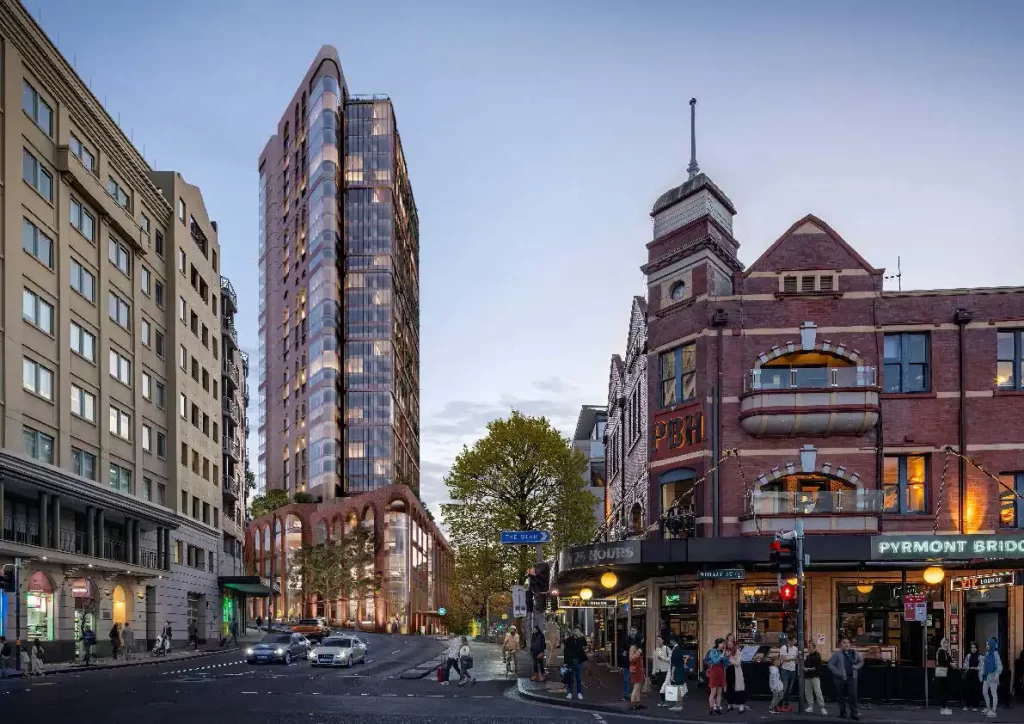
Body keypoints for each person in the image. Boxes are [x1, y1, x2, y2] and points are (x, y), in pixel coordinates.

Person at [828, 636, 863, 720]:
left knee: (853, 696)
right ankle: (842, 713)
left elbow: (861, 661)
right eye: (844, 643)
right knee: (841, 696)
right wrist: (838, 672)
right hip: (840, 679)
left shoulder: (854, 653)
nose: (846, 644)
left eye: (847, 643)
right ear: (841, 645)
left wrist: (856, 667)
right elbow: (830, 664)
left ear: (850, 644)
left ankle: (854, 713)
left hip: (852, 678)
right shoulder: (837, 654)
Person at [563, 627, 588, 701]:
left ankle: (579, 693)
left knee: (578, 678)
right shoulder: (569, 640)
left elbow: (585, 644)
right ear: (573, 632)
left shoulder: (580, 640)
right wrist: (565, 662)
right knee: (570, 677)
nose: (576, 632)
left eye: (578, 631)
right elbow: (566, 651)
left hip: (578, 661)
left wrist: (581, 636)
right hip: (570, 661)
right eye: (575, 631)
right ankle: (570, 692)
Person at [724, 632, 746, 713]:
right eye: (729, 639)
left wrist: (730, 659)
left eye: (732, 639)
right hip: (728, 671)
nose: (730, 641)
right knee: (729, 688)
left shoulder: (737, 650)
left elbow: (738, 663)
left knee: (739, 688)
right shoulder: (725, 650)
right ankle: (730, 704)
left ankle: (741, 706)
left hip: (736, 671)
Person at [804, 641, 827, 715]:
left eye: (810, 647)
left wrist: (808, 669)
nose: (808, 648)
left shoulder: (817, 655)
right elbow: (805, 666)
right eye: (808, 647)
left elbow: (817, 667)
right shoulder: (807, 657)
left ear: (814, 647)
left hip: (815, 676)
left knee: (818, 692)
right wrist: (805, 668)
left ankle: (822, 707)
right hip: (807, 677)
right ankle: (810, 706)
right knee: (808, 692)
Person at [667, 636, 689, 713]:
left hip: (677, 670)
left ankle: (679, 705)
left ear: (673, 641)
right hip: (680, 669)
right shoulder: (678, 649)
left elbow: (674, 663)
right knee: (679, 688)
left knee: (678, 688)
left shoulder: (676, 650)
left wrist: (672, 673)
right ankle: (678, 705)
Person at [705, 637, 726, 715]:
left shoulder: (722, 652)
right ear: (718, 644)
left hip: (721, 672)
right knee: (713, 692)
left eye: (724, 643)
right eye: (722, 643)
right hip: (714, 672)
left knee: (719, 692)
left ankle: (718, 707)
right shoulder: (713, 651)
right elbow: (715, 661)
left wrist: (725, 657)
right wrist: (721, 656)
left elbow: (725, 663)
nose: (723, 645)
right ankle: (710, 709)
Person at [621, 626, 642, 702]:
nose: (633, 632)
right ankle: (626, 695)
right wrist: (622, 652)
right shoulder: (626, 639)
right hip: (627, 663)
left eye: (634, 631)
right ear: (629, 631)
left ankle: (635, 697)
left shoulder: (639, 640)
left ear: (637, 632)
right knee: (626, 679)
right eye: (631, 631)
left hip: (636, 664)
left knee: (636, 681)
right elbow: (621, 648)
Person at [982, 637, 1002, 717]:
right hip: (986, 675)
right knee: (984, 691)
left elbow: (999, 665)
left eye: (988, 644)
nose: (987, 646)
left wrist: (997, 675)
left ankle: (993, 710)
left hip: (993, 675)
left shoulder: (995, 654)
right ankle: (988, 707)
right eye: (986, 644)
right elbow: (985, 665)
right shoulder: (987, 653)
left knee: (993, 693)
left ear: (992, 645)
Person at [779, 634, 799, 712]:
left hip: (792, 670)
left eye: (795, 640)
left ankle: (787, 704)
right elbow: (783, 659)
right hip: (785, 670)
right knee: (784, 688)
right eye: (794, 640)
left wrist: (796, 660)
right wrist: (793, 659)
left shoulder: (795, 649)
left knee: (789, 689)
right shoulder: (784, 648)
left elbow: (796, 659)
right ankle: (780, 704)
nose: (795, 642)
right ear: (790, 640)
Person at [935, 637, 954, 715]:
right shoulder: (941, 651)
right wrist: (951, 664)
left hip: (944, 673)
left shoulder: (945, 651)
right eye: (945, 643)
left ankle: (944, 707)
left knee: (945, 691)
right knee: (944, 691)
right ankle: (943, 708)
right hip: (943, 673)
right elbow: (942, 662)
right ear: (942, 643)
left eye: (947, 642)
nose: (946, 644)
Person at [652, 636, 671, 707]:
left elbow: (671, 658)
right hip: (658, 671)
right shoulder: (655, 649)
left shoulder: (666, 648)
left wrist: (663, 658)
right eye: (657, 640)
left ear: (663, 640)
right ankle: (663, 700)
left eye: (659, 640)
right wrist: (653, 671)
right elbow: (654, 661)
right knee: (660, 686)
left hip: (665, 670)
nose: (658, 641)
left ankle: (668, 701)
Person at [964, 641, 983, 711]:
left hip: (976, 675)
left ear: (977, 648)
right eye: (972, 647)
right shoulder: (968, 655)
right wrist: (966, 666)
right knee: (968, 690)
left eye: (975, 647)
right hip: (969, 674)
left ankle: (975, 706)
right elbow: (965, 664)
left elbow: (981, 666)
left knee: (975, 690)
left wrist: (974, 668)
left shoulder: (980, 656)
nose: (973, 649)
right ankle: (968, 705)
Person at [628, 644, 646, 711]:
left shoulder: (636, 650)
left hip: (638, 672)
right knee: (636, 688)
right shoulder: (634, 650)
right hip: (636, 672)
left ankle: (637, 703)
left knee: (638, 689)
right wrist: (638, 652)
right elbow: (632, 659)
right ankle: (632, 705)